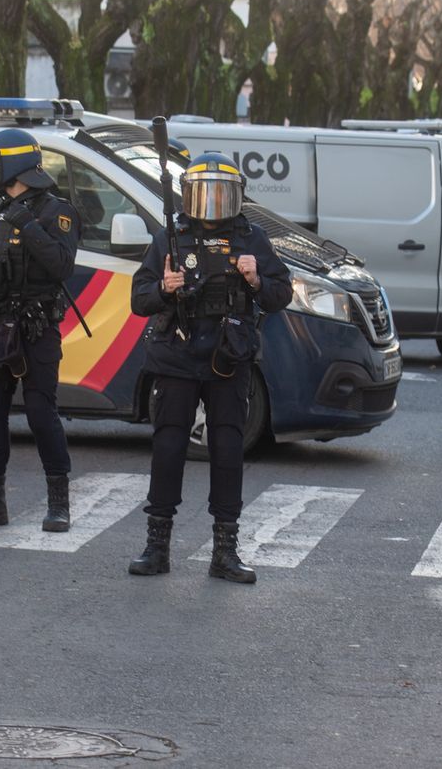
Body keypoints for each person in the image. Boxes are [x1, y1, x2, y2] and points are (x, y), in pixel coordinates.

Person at [127, 152, 292, 583]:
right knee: (167, 449)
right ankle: (156, 547)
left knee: (228, 451)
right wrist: (164, 288)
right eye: (206, 194)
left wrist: (257, 280)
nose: (214, 204)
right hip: (177, 356)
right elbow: (138, 298)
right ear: (189, 196)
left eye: (223, 194)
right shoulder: (172, 237)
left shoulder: (252, 238)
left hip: (227, 358)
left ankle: (225, 551)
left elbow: (281, 294)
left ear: (236, 197)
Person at [0, 128, 81, 532]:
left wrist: (27, 222)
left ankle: (59, 504)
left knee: (42, 414)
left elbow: (61, 264)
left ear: (11, 165)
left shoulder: (56, 211)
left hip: (36, 328)